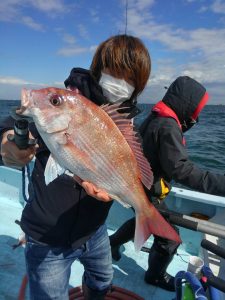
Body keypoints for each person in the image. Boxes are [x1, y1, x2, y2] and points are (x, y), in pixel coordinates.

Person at [0, 34, 151, 299]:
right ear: (97, 70)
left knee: (103, 280)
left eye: (131, 80)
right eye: (115, 72)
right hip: (47, 236)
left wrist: (136, 200)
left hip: (95, 230)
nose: (122, 83)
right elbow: (16, 126)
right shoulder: (65, 104)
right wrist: (6, 142)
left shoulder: (124, 119)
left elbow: (123, 164)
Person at [108, 76, 225, 292]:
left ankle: (112, 243)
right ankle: (154, 276)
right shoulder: (168, 125)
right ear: (186, 103)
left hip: (137, 186)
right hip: (145, 191)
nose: (196, 116)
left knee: (141, 221)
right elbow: (182, 170)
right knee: (169, 239)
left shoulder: (156, 116)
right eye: (196, 109)